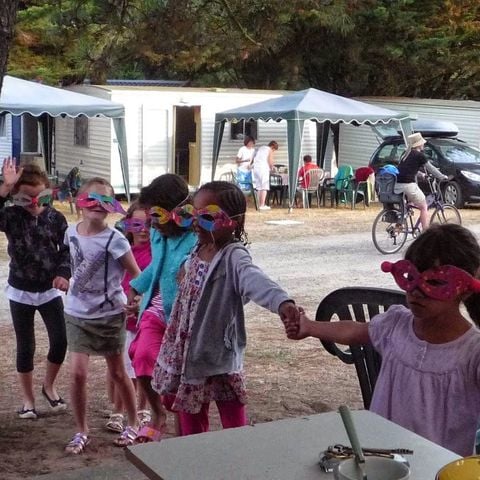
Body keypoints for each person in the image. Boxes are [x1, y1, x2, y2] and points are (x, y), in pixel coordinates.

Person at [285, 223, 480, 457]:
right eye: (410, 277)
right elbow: (355, 331)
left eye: (435, 282)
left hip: (440, 469)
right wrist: (310, 327)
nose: (416, 291)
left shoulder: (472, 354)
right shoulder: (395, 325)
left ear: (465, 289)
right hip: (381, 459)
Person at [152, 180, 300, 436]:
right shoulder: (200, 248)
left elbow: (253, 279)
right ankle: (195, 454)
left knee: (232, 412)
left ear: (235, 221)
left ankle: (238, 452)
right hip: (192, 351)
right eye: (193, 214)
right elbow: (190, 273)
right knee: (191, 414)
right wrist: (184, 271)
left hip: (220, 350)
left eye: (208, 217)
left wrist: (281, 302)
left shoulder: (233, 255)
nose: (197, 223)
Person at [63, 177, 141, 454]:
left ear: (112, 206)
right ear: (79, 202)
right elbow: (68, 263)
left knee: (118, 372)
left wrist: (135, 299)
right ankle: (81, 430)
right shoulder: (70, 232)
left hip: (109, 315)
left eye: (105, 200)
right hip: (76, 313)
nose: (98, 205)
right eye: (92, 199)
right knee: (77, 374)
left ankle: (133, 422)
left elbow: (136, 275)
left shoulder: (115, 239)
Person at [126, 174, 197, 442]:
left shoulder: (196, 236)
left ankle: (183, 433)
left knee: (179, 376)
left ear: (177, 212)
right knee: (142, 355)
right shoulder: (158, 232)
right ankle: (158, 414)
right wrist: (136, 287)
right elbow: (156, 266)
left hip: (183, 316)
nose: (151, 223)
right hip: (156, 308)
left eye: (156, 215)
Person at [0, 159, 69, 419]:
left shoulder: (55, 217)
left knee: (60, 341)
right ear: (16, 197)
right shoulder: (10, 216)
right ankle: (27, 401)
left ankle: (48, 387)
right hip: (20, 290)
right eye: (26, 198)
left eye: (40, 196)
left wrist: (64, 273)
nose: (34, 203)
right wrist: (4, 188)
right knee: (25, 346)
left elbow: (66, 250)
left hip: (49, 290)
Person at [105, 201, 152, 434]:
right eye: (137, 224)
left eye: (149, 224)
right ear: (128, 225)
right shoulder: (122, 251)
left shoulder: (157, 253)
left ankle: (143, 408)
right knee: (122, 367)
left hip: (148, 318)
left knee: (144, 367)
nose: (143, 230)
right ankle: (118, 409)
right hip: (123, 318)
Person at [394, 132, 447, 230]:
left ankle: (399, 224)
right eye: (422, 143)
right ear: (419, 144)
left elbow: (408, 169)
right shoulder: (419, 155)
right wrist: (442, 176)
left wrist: (422, 175)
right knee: (423, 206)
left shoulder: (406, 154)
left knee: (410, 203)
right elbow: (431, 168)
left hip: (397, 184)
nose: (423, 144)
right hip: (408, 185)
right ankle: (425, 231)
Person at [252, 140, 278, 210]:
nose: (273, 151)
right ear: (272, 147)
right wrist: (272, 168)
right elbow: (270, 161)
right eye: (274, 150)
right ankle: (262, 205)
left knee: (259, 187)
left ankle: (258, 205)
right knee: (264, 187)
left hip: (256, 168)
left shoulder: (261, 148)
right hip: (263, 169)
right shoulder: (269, 150)